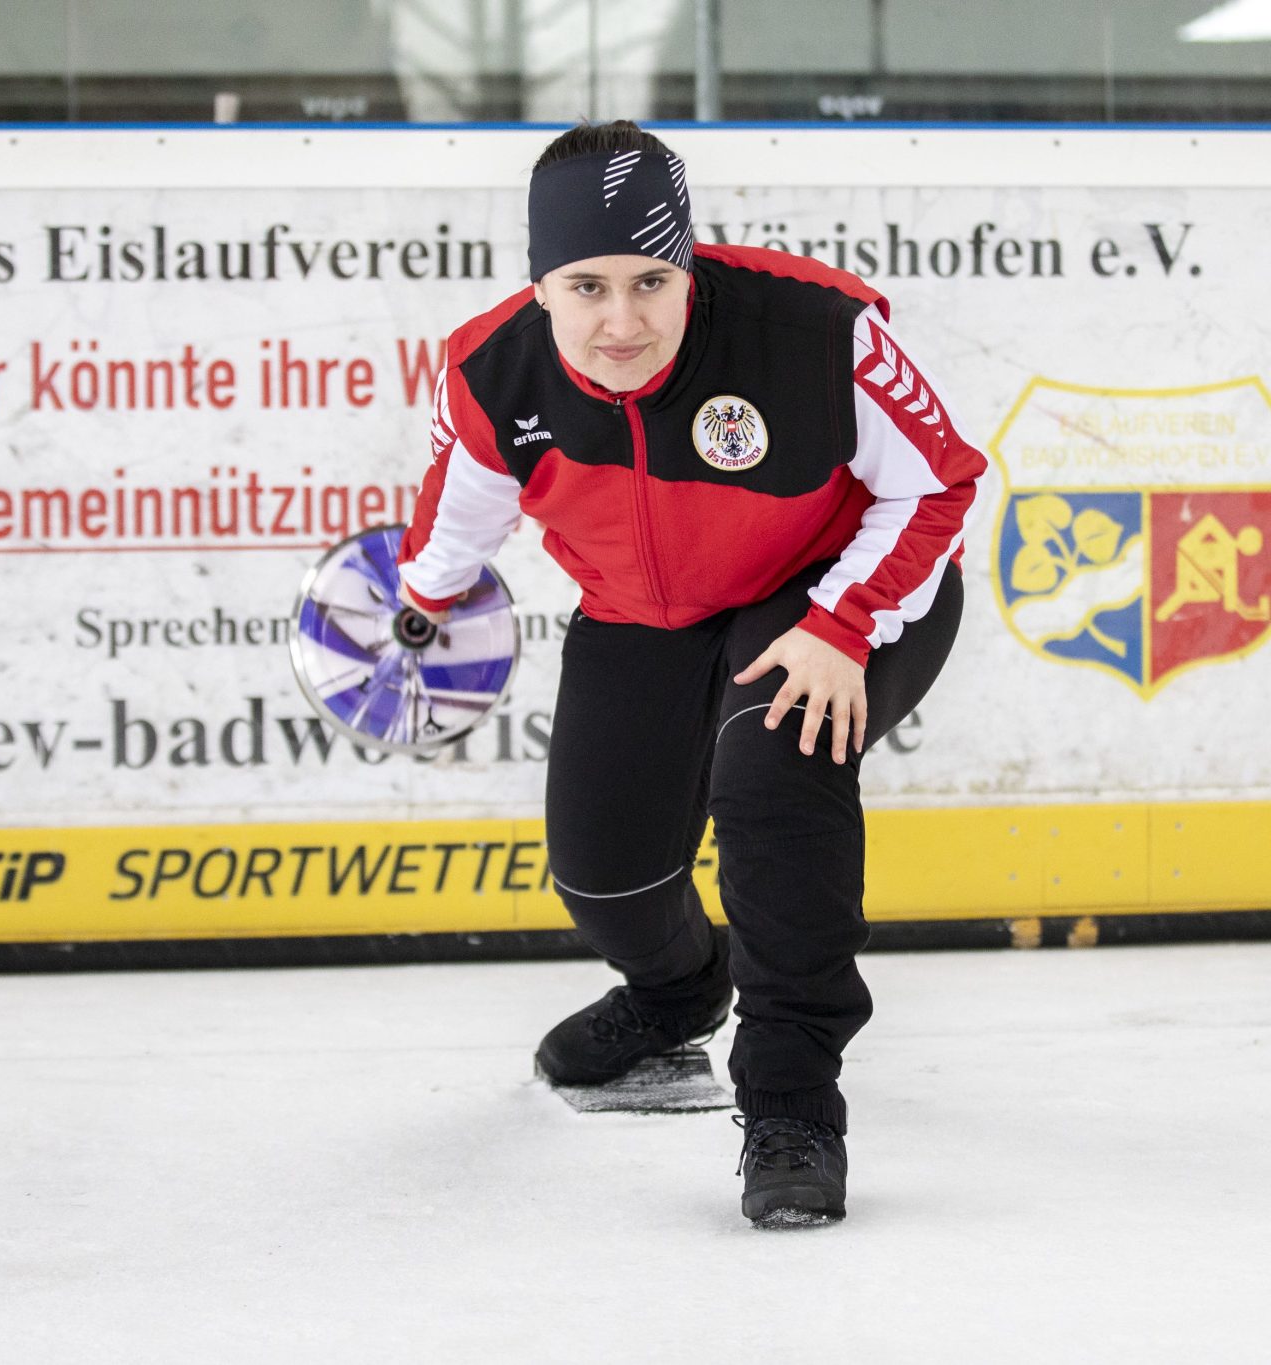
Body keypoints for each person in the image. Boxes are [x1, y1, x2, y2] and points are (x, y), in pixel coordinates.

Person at [396, 120, 987, 1227]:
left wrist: (839, 623)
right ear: (540, 286)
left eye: (649, 281)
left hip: (826, 589)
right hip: (640, 611)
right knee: (602, 872)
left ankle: (790, 1106)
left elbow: (940, 484)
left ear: (689, 265)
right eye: (585, 287)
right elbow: (458, 509)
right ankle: (674, 995)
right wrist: (420, 606)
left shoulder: (815, 333)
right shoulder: (494, 370)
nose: (619, 320)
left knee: (770, 776)